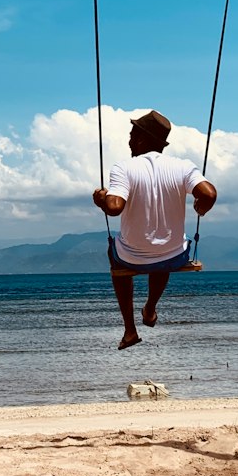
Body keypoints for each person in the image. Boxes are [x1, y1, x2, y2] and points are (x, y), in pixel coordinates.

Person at [92, 110, 217, 350]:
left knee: (115, 256)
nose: (129, 141)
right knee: (166, 250)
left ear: (141, 139)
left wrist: (101, 199)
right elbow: (209, 194)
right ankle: (150, 308)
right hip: (173, 256)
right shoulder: (182, 166)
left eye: (132, 135)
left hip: (130, 258)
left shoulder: (124, 168)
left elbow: (115, 208)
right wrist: (201, 207)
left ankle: (130, 330)